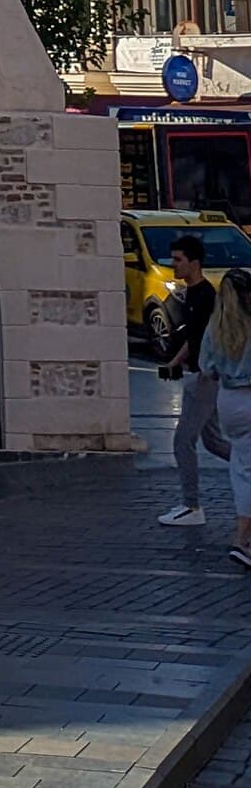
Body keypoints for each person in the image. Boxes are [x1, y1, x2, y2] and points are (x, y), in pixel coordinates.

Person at [158, 234, 219, 525]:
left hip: (204, 378)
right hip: (198, 374)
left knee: (183, 441)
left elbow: (214, 338)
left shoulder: (206, 296)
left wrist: (206, 372)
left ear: (194, 263)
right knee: (215, 441)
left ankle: (192, 507)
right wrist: (174, 361)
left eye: (178, 259)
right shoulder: (192, 295)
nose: (173, 265)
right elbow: (195, 338)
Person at [197, 264, 251, 568]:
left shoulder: (216, 327)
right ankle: (242, 539)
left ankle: (244, 539)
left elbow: (207, 367)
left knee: (243, 467)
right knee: (246, 471)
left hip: (229, 400)